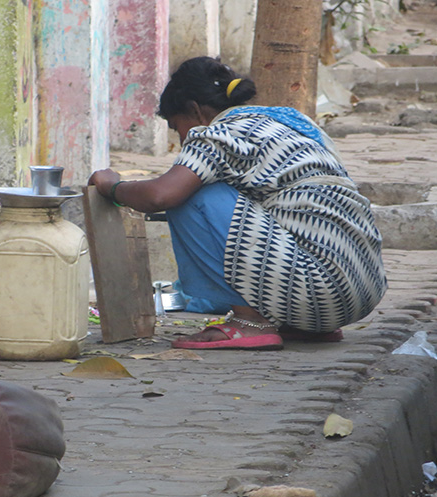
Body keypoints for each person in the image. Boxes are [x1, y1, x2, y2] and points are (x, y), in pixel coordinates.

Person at [88, 56, 387, 350]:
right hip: (360, 294)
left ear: (194, 109)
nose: (181, 140)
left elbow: (160, 196)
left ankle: (249, 322)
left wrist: (113, 186)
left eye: (177, 127)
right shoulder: (291, 123)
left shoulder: (218, 135)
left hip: (318, 291)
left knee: (192, 194)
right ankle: (295, 323)